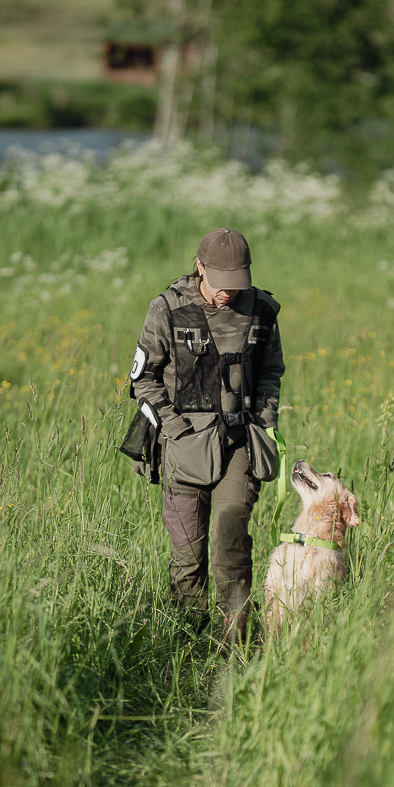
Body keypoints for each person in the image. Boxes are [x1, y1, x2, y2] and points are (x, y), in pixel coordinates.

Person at [122, 228, 285, 641]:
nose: (228, 293)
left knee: (231, 545)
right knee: (188, 558)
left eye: (237, 284)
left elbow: (270, 372)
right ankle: (188, 645)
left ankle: (236, 645)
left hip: (239, 445)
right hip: (183, 449)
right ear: (199, 268)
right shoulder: (167, 310)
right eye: (220, 283)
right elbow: (143, 380)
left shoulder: (262, 310)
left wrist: (264, 421)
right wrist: (174, 430)